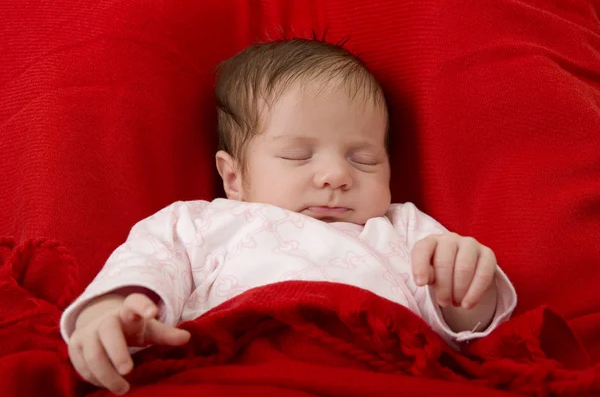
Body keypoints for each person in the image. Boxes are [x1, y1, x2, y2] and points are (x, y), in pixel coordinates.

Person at [60, 38, 517, 395]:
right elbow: (144, 266)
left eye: (364, 159)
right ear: (234, 177)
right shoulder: (199, 223)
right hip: (232, 368)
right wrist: (110, 313)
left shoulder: (403, 227)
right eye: (298, 156)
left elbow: (464, 327)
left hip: (377, 368)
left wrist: (462, 281)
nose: (337, 175)